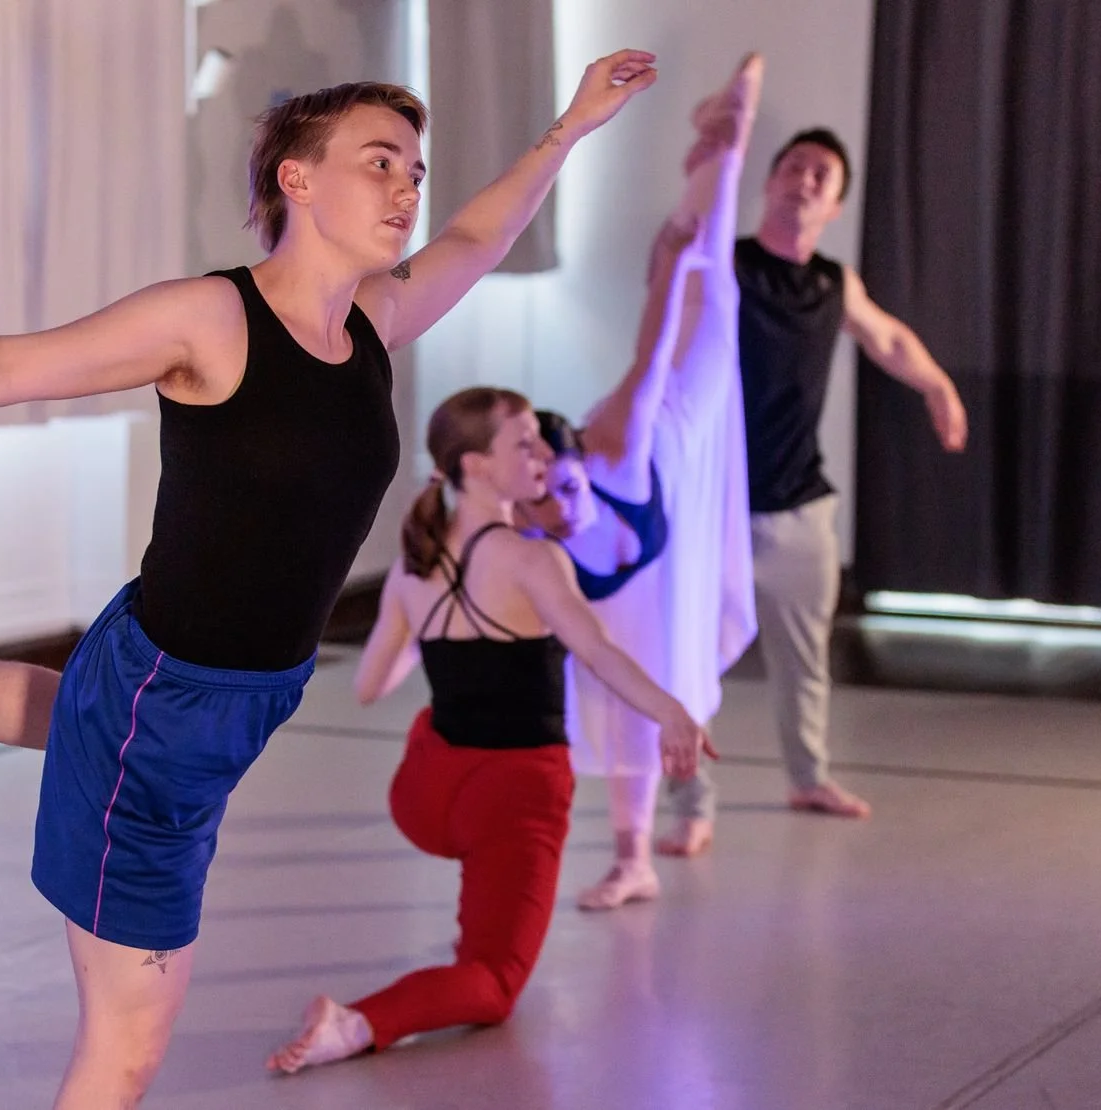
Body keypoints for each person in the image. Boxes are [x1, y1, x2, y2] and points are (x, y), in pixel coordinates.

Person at [0, 54, 660, 1109]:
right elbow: (4, 366)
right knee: (128, 1049)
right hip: (169, 689)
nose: (409, 188)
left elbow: (477, 236)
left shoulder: (372, 322)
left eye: (415, 167)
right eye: (379, 163)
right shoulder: (209, 322)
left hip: (219, 692)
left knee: (84, 715)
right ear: (296, 180)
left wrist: (570, 127)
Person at [266, 386, 712, 1076]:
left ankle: (372, 1007)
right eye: (523, 443)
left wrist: (431, 623)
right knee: (494, 983)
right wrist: (672, 712)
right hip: (513, 792)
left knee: (441, 738)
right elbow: (597, 652)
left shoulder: (415, 566)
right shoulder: (534, 559)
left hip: (425, 794)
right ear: (475, 466)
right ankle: (354, 1022)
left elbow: (367, 687)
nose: (541, 454)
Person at [517, 55, 763, 908]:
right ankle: (634, 859)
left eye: (566, 483)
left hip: (678, 423)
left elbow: (650, 354)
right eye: (551, 495)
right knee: (625, 702)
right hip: (644, 572)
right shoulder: (527, 518)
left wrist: (665, 264)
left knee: (708, 292)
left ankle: (726, 143)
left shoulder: (614, 441)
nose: (563, 499)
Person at [719, 117, 969, 822]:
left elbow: (887, 336)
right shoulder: (726, 262)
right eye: (793, 166)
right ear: (768, 182)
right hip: (719, 505)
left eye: (820, 176)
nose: (804, 179)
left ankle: (808, 779)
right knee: (691, 664)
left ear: (834, 206)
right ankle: (686, 804)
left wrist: (937, 385)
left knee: (806, 664)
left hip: (801, 507)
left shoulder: (834, 282)